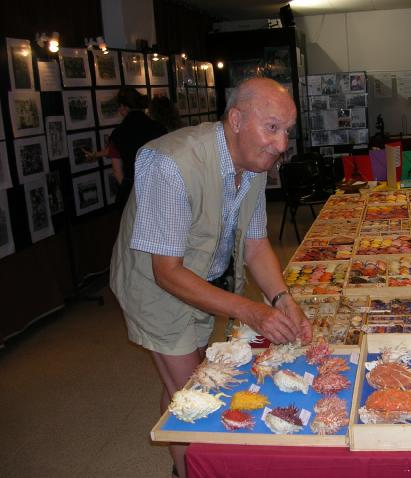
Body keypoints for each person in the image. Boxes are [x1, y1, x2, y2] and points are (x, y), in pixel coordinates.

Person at [109, 77, 311, 478]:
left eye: (287, 131)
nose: (281, 144)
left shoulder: (253, 162)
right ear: (236, 120)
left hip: (198, 278)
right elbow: (166, 272)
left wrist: (282, 299)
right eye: (272, 128)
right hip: (154, 286)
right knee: (199, 393)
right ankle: (190, 470)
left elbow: (255, 244)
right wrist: (252, 312)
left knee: (182, 384)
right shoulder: (170, 162)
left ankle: (181, 465)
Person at [85, 87, 167, 209]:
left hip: (133, 189)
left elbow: (117, 170)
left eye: (119, 106)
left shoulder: (119, 133)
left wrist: (127, 190)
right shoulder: (159, 127)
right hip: (159, 187)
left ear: (124, 107)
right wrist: (96, 154)